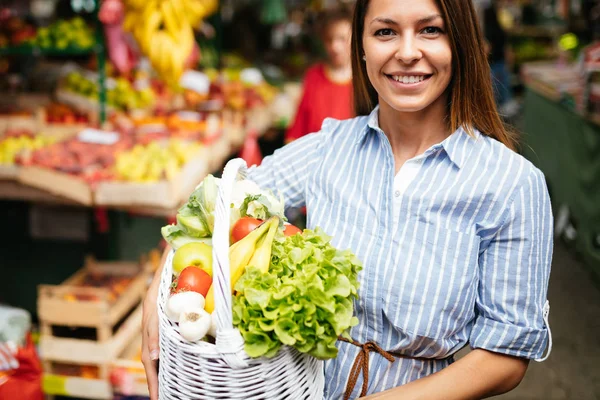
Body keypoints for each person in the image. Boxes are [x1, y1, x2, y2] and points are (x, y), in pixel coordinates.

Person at [142, 0, 553, 398]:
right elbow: (223, 200)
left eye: (430, 30)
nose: (407, 52)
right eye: (385, 31)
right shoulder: (329, 146)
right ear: (362, 47)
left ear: (459, 42)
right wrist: (157, 291)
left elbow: (505, 355)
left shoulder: (511, 184)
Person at [284, 7, 354, 143]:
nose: (335, 47)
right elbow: (298, 127)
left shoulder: (367, 80)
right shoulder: (313, 75)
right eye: (329, 39)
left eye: (342, 39)